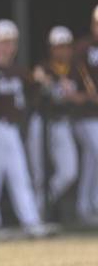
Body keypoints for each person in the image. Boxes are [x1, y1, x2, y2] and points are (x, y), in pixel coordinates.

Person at [0, 20, 47, 236]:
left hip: (11, 128)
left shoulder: (18, 70)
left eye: (11, 42)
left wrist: (40, 78)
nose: (8, 47)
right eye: (4, 42)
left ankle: (30, 221)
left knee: (19, 174)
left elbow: (36, 88)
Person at [27, 26, 81, 213]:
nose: (62, 50)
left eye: (66, 46)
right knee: (37, 172)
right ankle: (36, 211)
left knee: (69, 171)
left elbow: (84, 96)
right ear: (51, 48)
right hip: (41, 121)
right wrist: (54, 86)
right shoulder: (43, 67)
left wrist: (75, 96)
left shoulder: (76, 70)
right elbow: (38, 84)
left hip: (62, 122)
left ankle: (41, 203)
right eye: (58, 46)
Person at [73, 5, 98, 223]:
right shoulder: (83, 48)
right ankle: (93, 204)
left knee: (91, 161)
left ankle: (85, 207)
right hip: (85, 115)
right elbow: (76, 77)